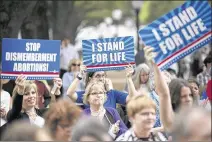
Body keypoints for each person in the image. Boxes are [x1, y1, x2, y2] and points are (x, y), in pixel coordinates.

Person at [142, 46, 197, 134]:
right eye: (184, 96)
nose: (188, 99)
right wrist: (153, 63)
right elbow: (164, 94)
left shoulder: (196, 114)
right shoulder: (147, 98)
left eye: (190, 95)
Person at [67, 65, 133, 109]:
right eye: (98, 76)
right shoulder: (86, 94)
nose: (101, 78)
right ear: (90, 79)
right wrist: (80, 75)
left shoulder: (112, 93)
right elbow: (69, 94)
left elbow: (132, 98)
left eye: (103, 75)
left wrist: (129, 78)